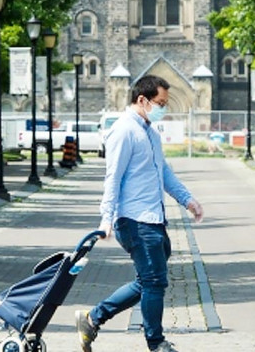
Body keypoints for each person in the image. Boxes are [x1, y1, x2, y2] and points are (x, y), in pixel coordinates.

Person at [75, 75, 204, 352]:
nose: (163, 109)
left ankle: (92, 318)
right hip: (134, 220)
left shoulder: (150, 133)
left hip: (154, 218)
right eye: (160, 103)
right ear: (142, 100)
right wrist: (106, 218)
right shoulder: (123, 131)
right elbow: (113, 177)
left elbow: (164, 171)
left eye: (166, 104)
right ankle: (155, 342)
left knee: (146, 281)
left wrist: (187, 200)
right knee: (154, 282)